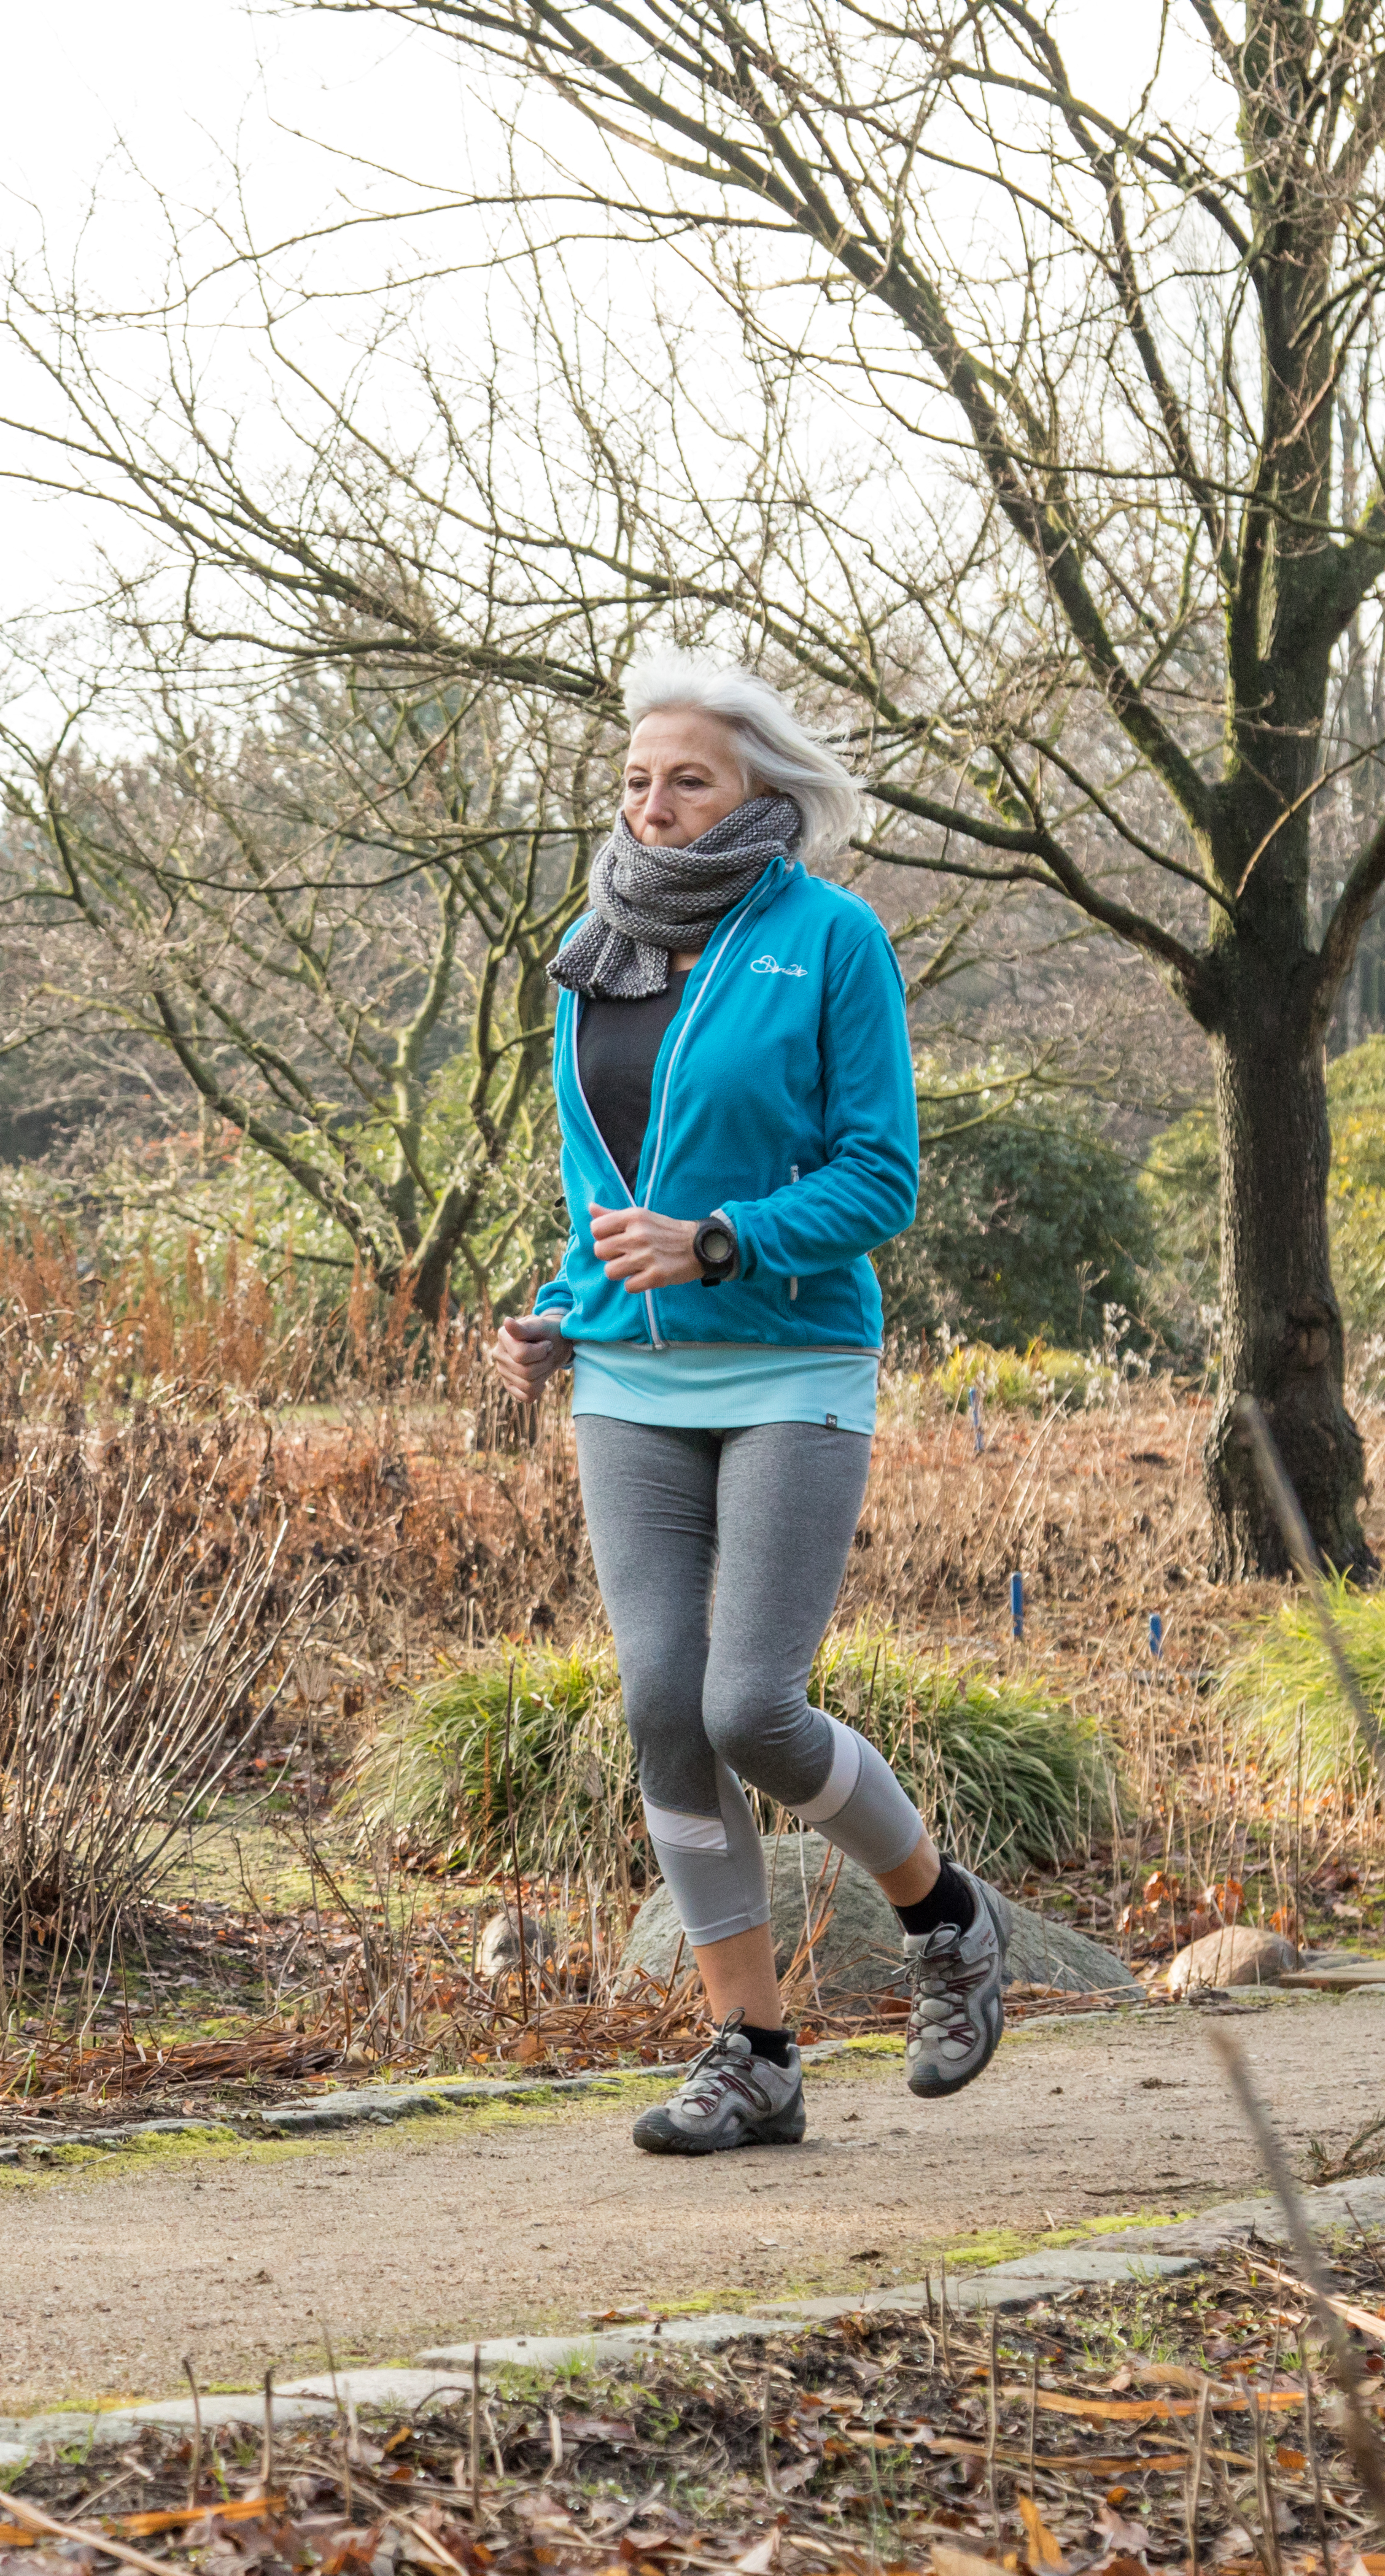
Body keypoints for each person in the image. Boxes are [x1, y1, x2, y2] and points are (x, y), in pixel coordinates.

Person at [482, 649, 1007, 2157]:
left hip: (792, 1361)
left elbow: (880, 1177)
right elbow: (605, 1195)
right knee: (661, 1707)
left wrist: (722, 1240)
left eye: (688, 779)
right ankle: (752, 2050)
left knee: (748, 1705)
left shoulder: (832, 941)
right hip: (633, 1382)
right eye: (638, 778)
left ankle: (949, 1920)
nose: (655, 804)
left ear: (762, 793)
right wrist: (556, 1319)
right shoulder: (592, 947)